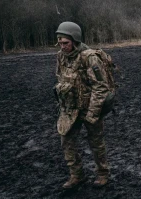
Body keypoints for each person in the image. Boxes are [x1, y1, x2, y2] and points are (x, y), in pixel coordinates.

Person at [54, 22, 115, 189]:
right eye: (60, 42)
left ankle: (103, 174)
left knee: (96, 143)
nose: (62, 46)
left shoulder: (89, 57)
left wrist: (93, 113)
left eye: (65, 42)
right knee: (66, 141)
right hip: (70, 108)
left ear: (75, 40)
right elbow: (61, 78)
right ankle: (77, 175)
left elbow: (100, 87)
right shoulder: (61, 56)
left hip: (90, 108)